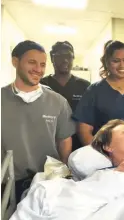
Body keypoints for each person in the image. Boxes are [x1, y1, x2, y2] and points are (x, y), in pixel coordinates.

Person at [1, 40, 75, 203]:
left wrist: (62, 174)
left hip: (47, 182)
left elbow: (64, 140)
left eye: (42, 64)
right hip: (7, 182)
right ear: (15, 62)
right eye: (32, 62)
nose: (38, 69)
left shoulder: (58, 102)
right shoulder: (2, 99)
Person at [40, 41, 90, 150]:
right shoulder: (42, 84)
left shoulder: (85, 86)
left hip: (78, 145)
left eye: (69, 56)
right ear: (52, 58)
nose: (65, 60)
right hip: (49, 144)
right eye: (60, 56)